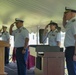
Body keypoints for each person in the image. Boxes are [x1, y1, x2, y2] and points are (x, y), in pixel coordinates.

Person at [63, 7, 76, 75]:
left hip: (72, 49)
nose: (65, 15)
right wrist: (64, 17)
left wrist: (75, 53)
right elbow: (64, 25)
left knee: (72, 70)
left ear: (72, 13)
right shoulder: (70, 23)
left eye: (66, 13)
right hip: (69, 49)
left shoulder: (74, 23)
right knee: (70, 69)